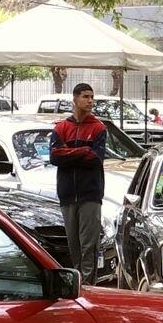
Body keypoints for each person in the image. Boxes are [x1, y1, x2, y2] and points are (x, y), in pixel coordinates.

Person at [49, 83, 108, 282]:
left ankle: (88, 286)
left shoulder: (98, 128)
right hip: (67, 193)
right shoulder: (62, 127)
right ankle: (77, 282)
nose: (90, 101)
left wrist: (70, 153)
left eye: (92, 97)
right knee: (74, 245)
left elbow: (95, 158)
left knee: (88, 245)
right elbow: (55, 157)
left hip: (90, 193)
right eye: (85, 96)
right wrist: (83, 151)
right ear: (75, 99)